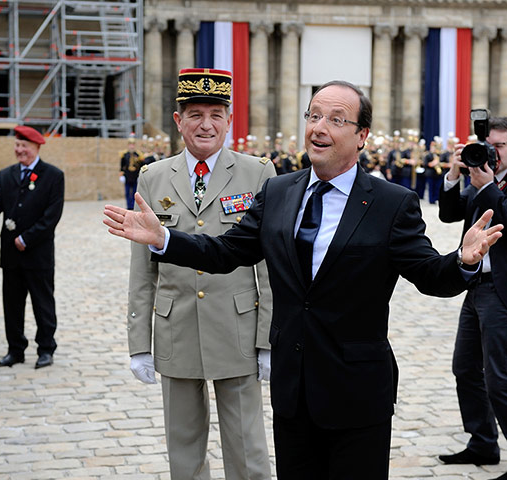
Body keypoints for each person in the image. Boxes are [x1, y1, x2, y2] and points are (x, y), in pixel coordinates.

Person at [104, 80, 504, 479]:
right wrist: (165, 239)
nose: (318, 127)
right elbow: (226, 252)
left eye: (335, 119)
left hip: (356, 393)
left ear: (361, 135)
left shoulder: (390, 202)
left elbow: (428, 274)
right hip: (293, 392)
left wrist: (463, 262)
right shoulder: (279, 191)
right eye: (313, 116)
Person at [127, 68, 275, 480]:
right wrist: (139, 342)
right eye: (194, 114)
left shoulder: (258, 173)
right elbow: (142, 270)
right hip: (176, 329)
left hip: (237, 327)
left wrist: (269, 338)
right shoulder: (153, 176)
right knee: (184, 449)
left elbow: (270, 264)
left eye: (215, 113)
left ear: (230, 119)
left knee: (247, 447)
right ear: (178, 121)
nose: (205, 124)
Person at [437, 117, 507, 480]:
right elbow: (449, 213)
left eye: (501, 146)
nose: (493, 152)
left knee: (500, 377)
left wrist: (490, 187)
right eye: (489, 144)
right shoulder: (480, 180)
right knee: (465, 367)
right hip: (476, 287)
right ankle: (482, 442)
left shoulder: (495, 186)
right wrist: (454, 175)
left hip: (501, 290)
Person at [0, 125, 64, 369]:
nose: (19, 150)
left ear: (36, 147)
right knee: (12, 305)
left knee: (43, 303)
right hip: (11, 256)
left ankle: (46, 349)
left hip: (38, 255)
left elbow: (52, 216)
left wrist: (27, 238)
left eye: (24, 146)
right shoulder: (6, 175)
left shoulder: (53, 176)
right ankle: (15, 349)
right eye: (17, 146)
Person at [119, 134, 144, 209]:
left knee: (135, 192)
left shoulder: (138, 155)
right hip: (127, 175)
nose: (131, 146)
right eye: (130, 145)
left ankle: (133, 205)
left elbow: (141, 166)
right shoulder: (124, 155)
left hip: (135, 176)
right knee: (127, 192)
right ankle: (128, 206)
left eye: (133, 144)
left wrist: (140, 176)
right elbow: (122, 166)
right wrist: (121, 175)